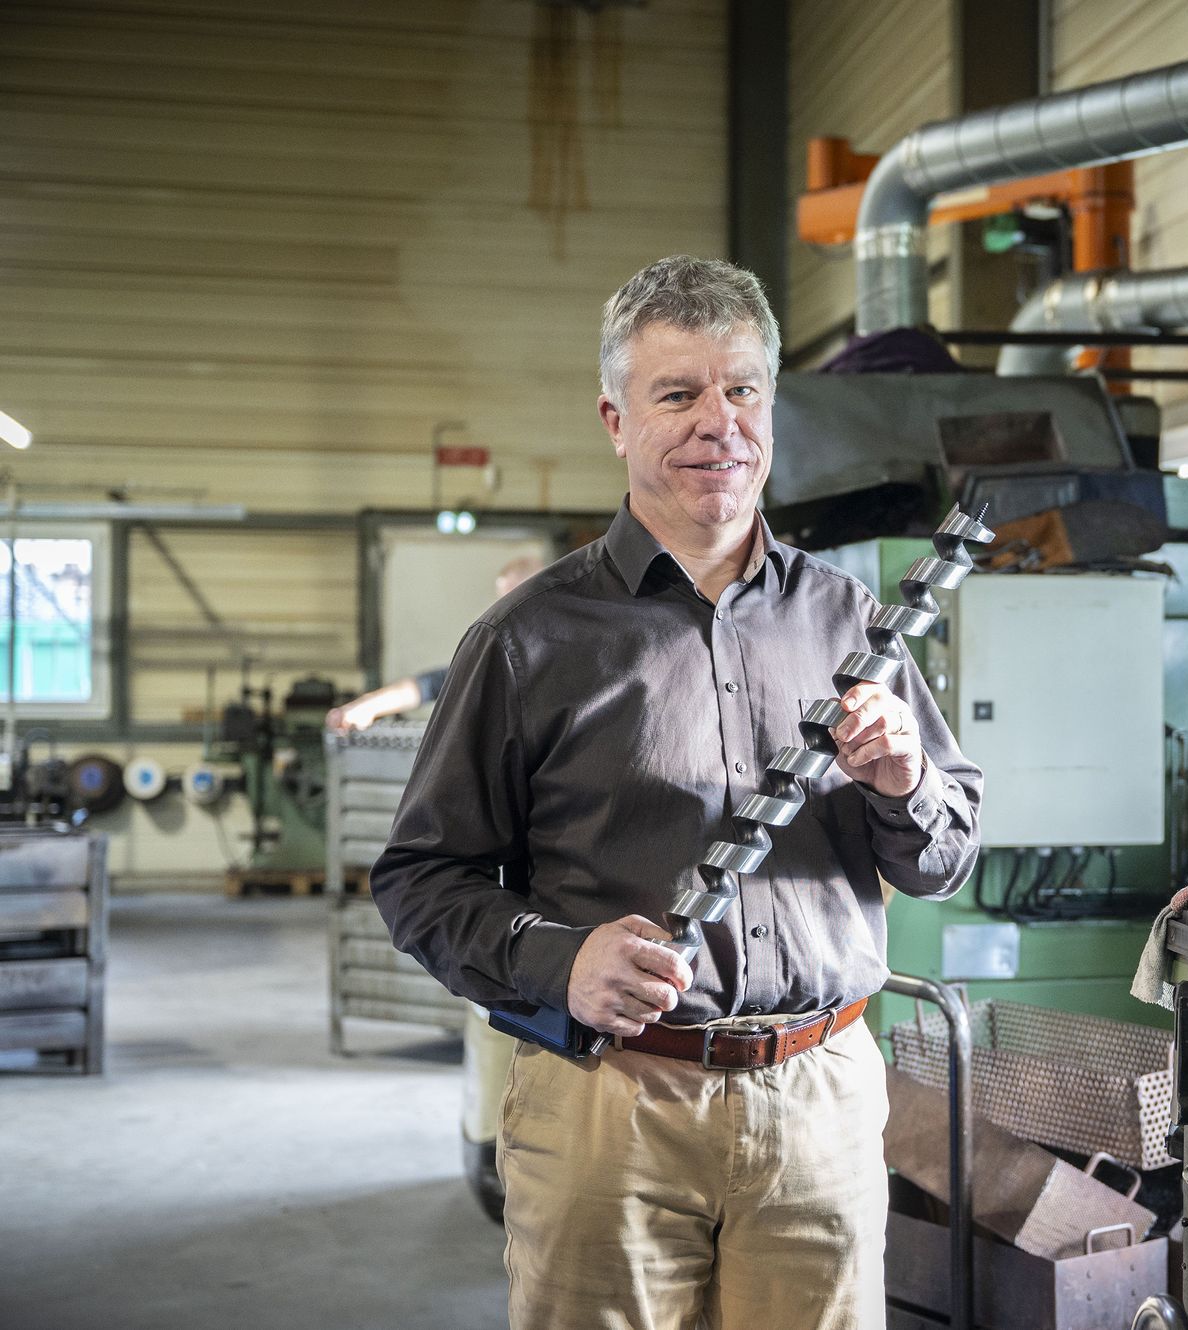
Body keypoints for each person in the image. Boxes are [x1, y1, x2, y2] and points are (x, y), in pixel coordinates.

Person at [369, 255, 982, 1330]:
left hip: (819, 1098)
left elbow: (942, 855)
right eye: (678, 393)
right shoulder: (530, 640)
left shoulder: (851, 622)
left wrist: (906, 779)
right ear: (615, 418)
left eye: (741, 390)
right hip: (614, 1103)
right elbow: (419, 879)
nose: (719, 422)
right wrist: (560, 959)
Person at [326, 555, 545, 733]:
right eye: (504, 602)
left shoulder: (563, 658)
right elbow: (431, 685)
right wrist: (368, 707)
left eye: (514, 601)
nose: (506, 614)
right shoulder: (500, 657)